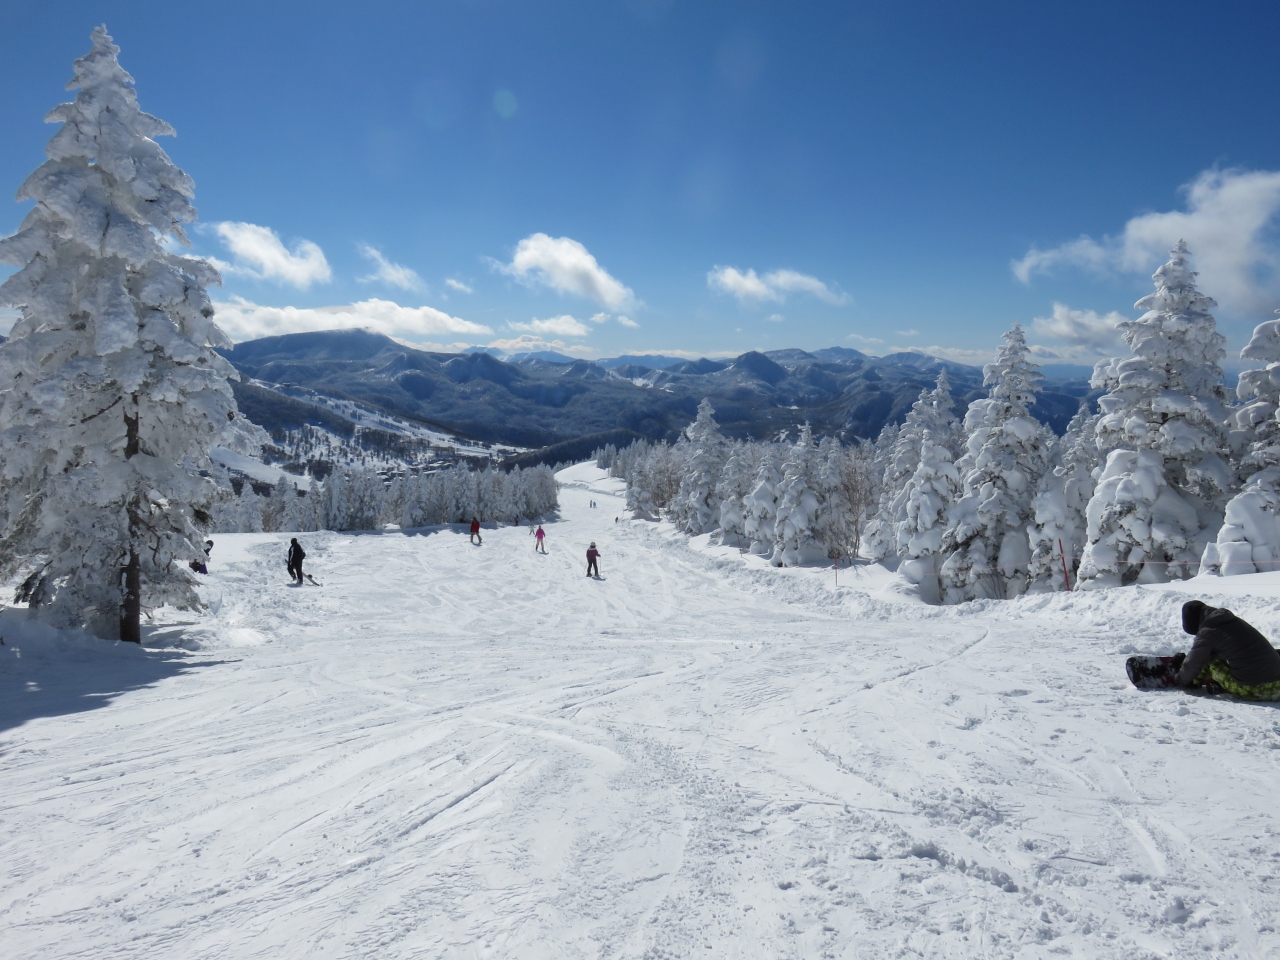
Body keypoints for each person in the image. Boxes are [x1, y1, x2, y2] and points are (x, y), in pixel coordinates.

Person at [1175, 600, 1280, 700]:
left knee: (1208, 659)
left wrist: (1179, 679)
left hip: (1254, 689)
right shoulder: (1230, 621)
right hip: (1277, 684)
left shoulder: (1208, 631)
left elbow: (1195, 662)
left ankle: (1194, 681)